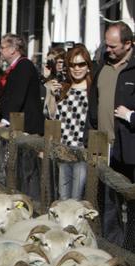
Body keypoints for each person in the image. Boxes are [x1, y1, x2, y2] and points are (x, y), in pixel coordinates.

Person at [88, 21, 135, 243]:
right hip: (104, 146)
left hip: (130, 148)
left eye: (114, 46)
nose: (109, 50)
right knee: (108, 205)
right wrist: (90, 134)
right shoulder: (102, 67)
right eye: (107, 45)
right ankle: (110, 250)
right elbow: (93, 105)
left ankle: (130, 254)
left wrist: (129, 116)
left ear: (128, 44)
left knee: (131, 205)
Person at [44, 45, 92, 200]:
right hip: (63, 149)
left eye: (81, 64)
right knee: (63, 197)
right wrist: (51, 94)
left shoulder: (92, 90)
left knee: (77, 198)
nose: (77, 69)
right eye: (72, 65)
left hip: (82, 151)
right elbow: (52, 115)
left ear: (88, 66)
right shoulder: (64, 88)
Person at [0, 34, 44, 135]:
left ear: (13, 50)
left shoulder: (24, 66)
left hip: (27, 127)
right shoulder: (17, 66)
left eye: (2, 47)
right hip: (18, 125)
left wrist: (5, 121)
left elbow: (17, 96)